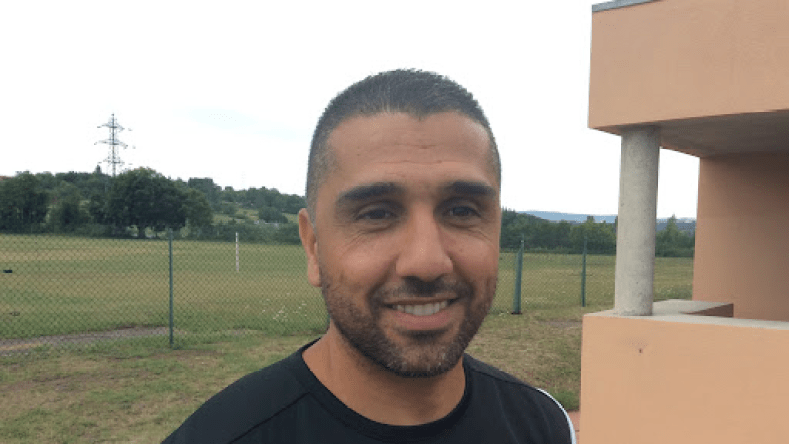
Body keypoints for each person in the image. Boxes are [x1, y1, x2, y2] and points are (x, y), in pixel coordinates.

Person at [161, 69, 575, 444]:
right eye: (377, 214)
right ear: (313, 245)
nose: (426, 263)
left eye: (462, 211)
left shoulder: (543, 425)